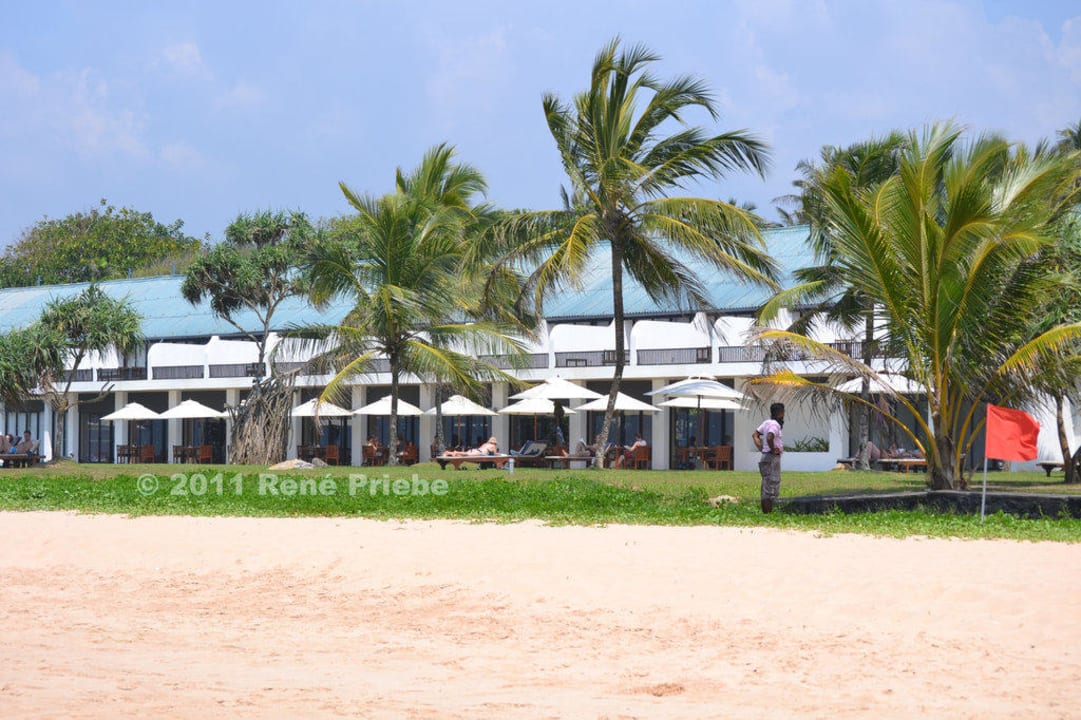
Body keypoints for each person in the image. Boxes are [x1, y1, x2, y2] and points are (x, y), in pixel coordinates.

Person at [752, 403, 785, 513]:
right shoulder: (775, 425)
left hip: (765, 456)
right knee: (771, 485)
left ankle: (766, 512)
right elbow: (770, 437)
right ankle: (768, 514)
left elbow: (755, 435)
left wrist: (761, 447)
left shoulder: (766, 423)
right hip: (771, 458)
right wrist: (772, 449)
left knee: (766, 484)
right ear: (781, 413)